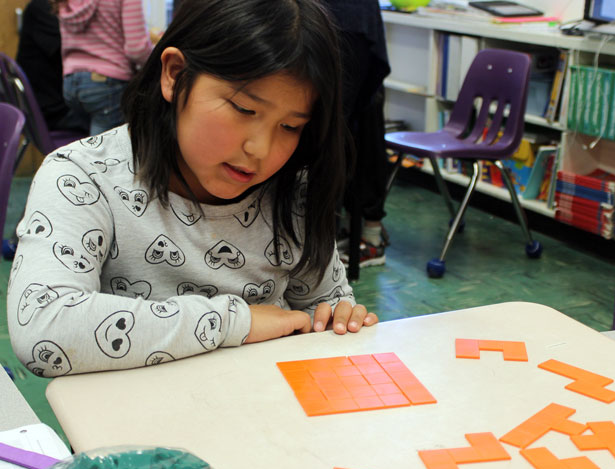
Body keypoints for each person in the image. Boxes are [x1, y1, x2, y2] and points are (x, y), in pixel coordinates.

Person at [7, 0, 378, 378]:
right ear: (174, 74)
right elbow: (43, 327)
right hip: (135, 426)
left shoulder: (289, 189)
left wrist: (336, 317)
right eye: (244, 110)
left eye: (291, 127)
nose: (261, 150)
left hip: (261, 413)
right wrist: (237, 322)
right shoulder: (83, 178)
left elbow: (322, 302)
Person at [323, 0, 392, 270]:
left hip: (345, 21)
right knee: (345, 129)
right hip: (336, 18)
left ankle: (358, 236)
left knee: (336, 132)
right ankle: (342, 234)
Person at [52, 0, 154, 136]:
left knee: (90, 146)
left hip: (71, 84)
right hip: (107, 85)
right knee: (104, 153)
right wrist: (161, 56)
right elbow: (137, 49)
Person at [15, 0, 85, 132]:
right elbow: (75, 51)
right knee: (117, 111)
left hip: (52, 105)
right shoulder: (42, 8)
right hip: (54, 111)